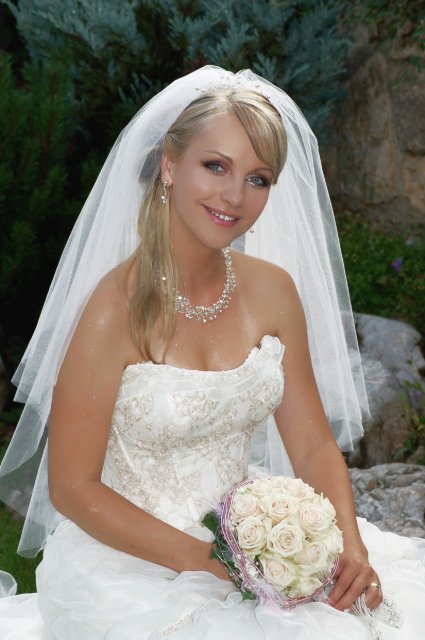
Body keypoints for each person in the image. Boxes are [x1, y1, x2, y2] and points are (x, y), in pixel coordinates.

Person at [0, 65, 424, 639]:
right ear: (169, 165)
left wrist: (349, 545)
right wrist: (211, 564)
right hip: (131, 566)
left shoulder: (274, 290)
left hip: (255, 546)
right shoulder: (112, 309)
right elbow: (73, 489)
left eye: (259, 178)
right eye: (216, 166)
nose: (235, 196)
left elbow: (312, 443)